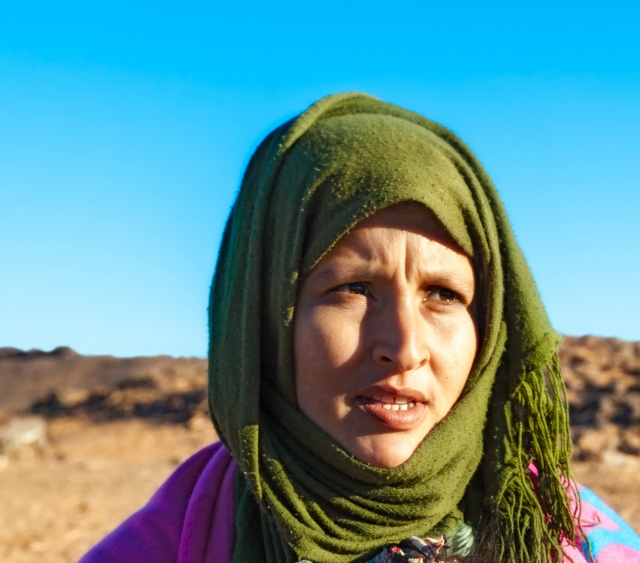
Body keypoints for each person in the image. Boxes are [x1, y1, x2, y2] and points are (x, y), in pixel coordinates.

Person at [79, 93, 640, 563]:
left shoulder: (576, 540)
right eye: (351, 289)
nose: (404, 348)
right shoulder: (169, 544)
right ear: (264, 318)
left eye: (443, 295)